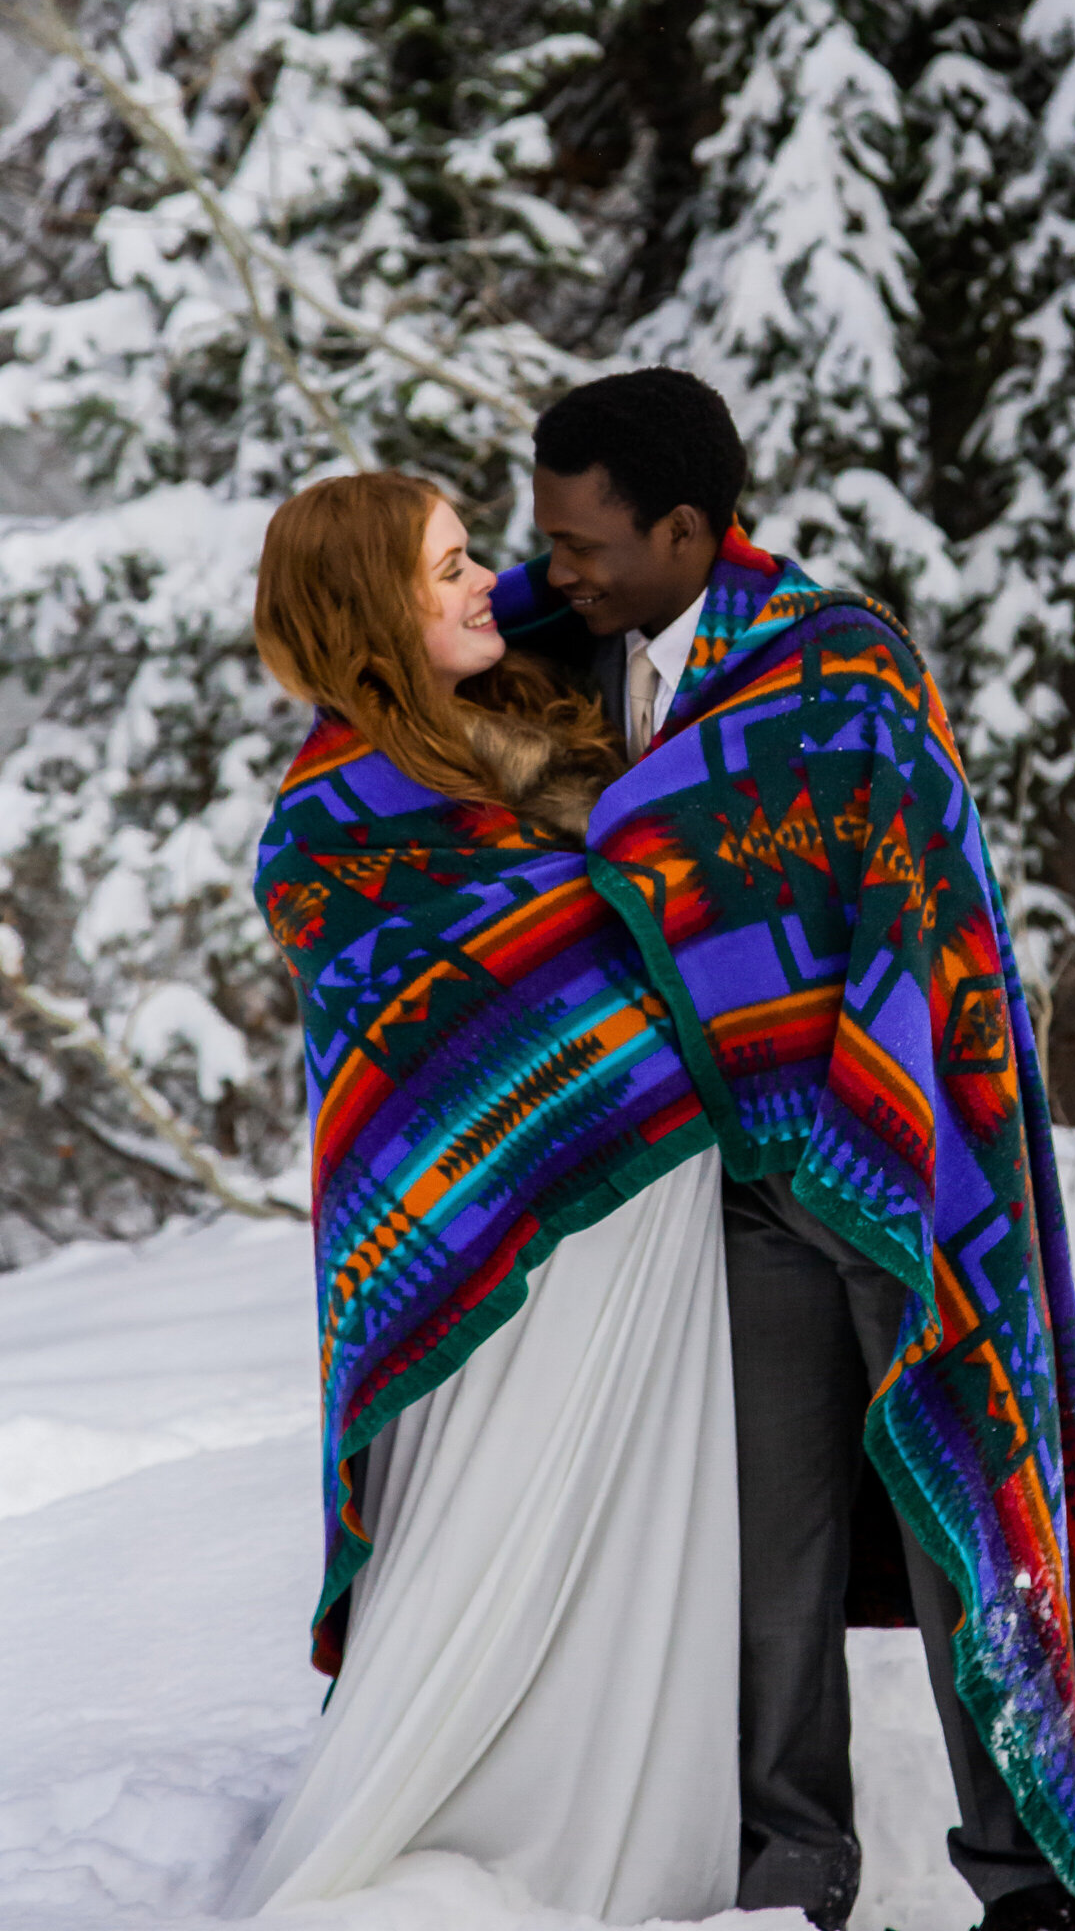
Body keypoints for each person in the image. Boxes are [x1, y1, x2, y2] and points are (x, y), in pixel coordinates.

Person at [502, 369, 1075, 1931]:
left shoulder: (840, 672)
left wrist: (875, 1121)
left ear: (686, 529)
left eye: (585, 541)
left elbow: (927, 917)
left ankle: (1026, 1881)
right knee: (762, 1548)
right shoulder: (553, 666)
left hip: (889, 1162)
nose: (559, 566)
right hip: (723, 1190)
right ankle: (790, 1874)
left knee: (957, 1512)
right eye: (546, 537)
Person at [225, 471, 740, 1922]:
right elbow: (498, 1002)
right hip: (499, 1243)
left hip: (637, 1214)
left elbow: (629, 906)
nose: (481, 584)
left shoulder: (504, 731)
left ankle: (644, 1826)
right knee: (499, 1522)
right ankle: (470, 1824)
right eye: (444, 568)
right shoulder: (337, 817)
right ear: (372, 606)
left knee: (643, 1520)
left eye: (470, 559)